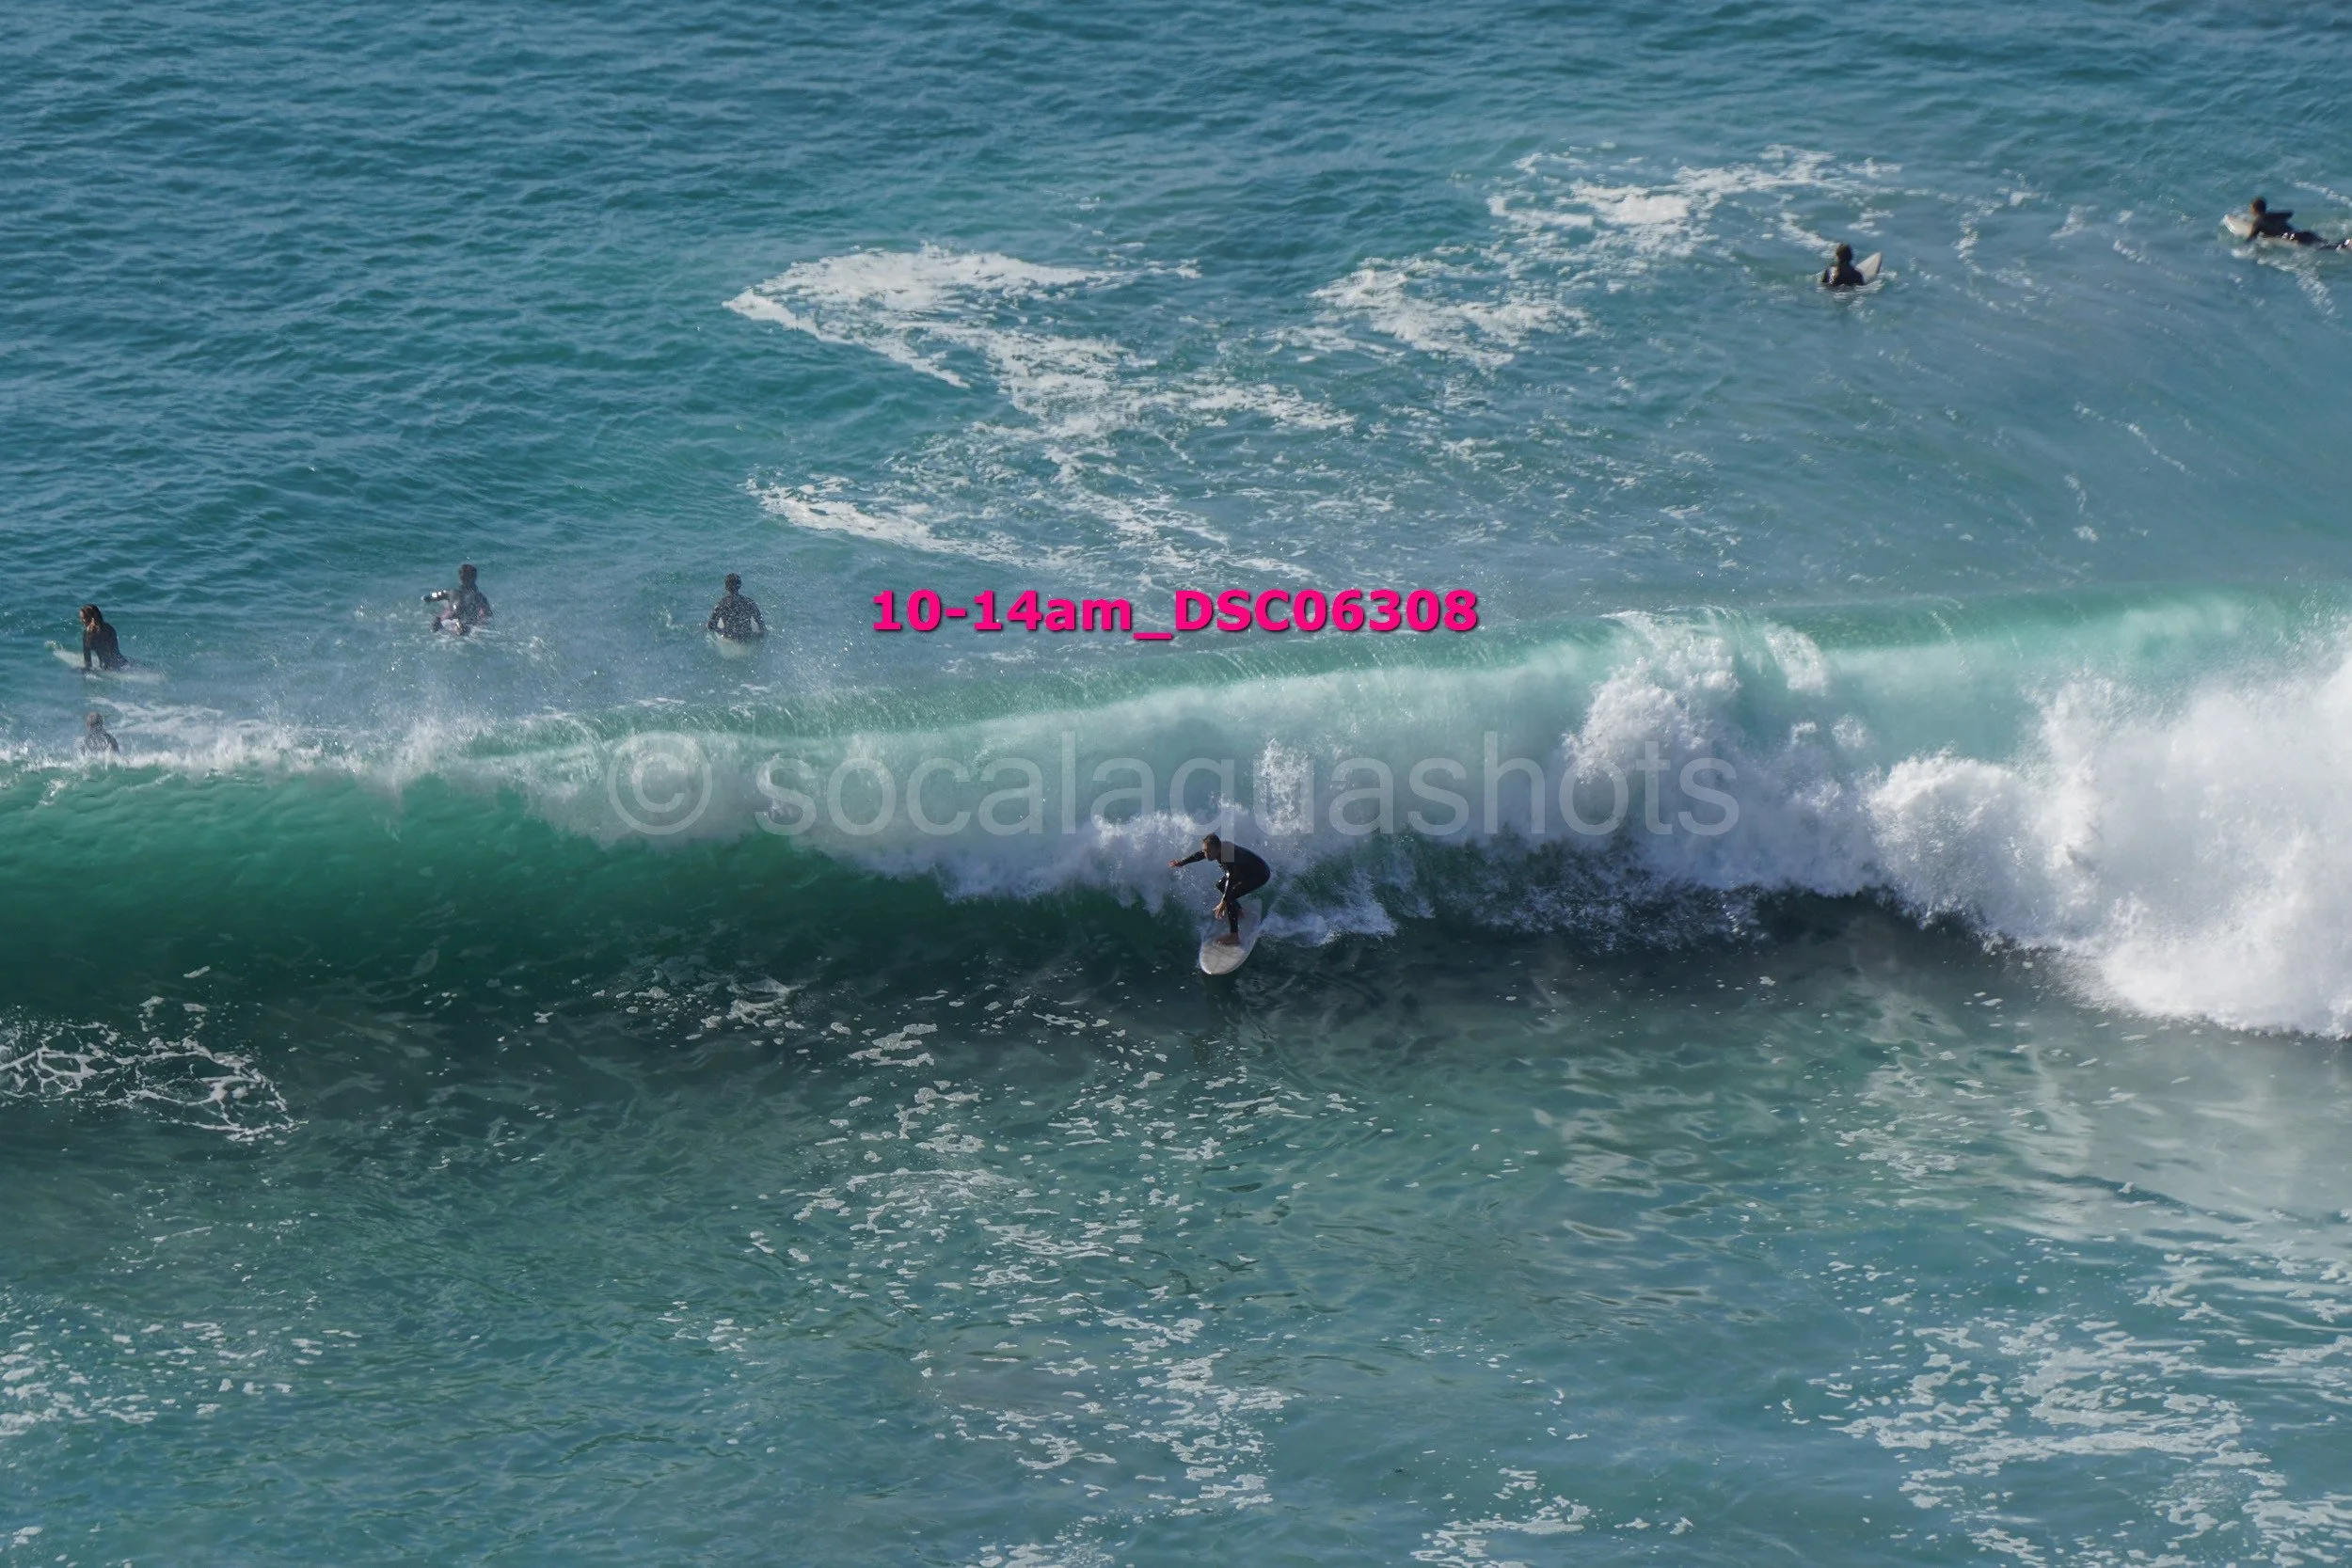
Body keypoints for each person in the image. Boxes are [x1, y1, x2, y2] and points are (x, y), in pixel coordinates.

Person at [1169, 832, 1271, 943]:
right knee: (1220, 885)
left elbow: (1231, 878)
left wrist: (1224, 901)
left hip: (1259, 874)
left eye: (1206, 851)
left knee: (1229, 896)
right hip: (1244, 871)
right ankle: (1237, 909)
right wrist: (1183, 862)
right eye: (1204, 850)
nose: (1204, 854)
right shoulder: (1218, 849)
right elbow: (1200, 855)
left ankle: (1234, 936)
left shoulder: (1227, 854)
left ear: (1216, 849)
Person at [2242, 197, 2344, 248]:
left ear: (2254, 209)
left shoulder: (2258, 222)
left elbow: (2250, 239)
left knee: (2329, 247)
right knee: (2331, 244)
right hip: (2302, 232)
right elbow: (2289, 214)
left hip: (2294, 238)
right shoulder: (2273, 216)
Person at [425, 563, 493, 634]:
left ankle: (439, 623)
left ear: (460, 578)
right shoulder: (479, 596)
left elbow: (433, 597)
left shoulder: (451, 592)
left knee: (448, 613)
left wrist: (428, 598)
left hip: (453, 613)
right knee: (471, 622)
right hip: (467, 616)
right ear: (474, 578)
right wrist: (481, 622)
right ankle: (462, 629)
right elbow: (487, 613)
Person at [707, 573, 766, 641]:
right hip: (747, 638)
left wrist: (720, 631)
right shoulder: (749, 603)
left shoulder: (721, 605)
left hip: (730, 638)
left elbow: (711, 626)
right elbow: (761, 624)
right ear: (740, 585)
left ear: (726, 587)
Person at [79, 604, 129, 671]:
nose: (81, 620)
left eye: (82, 618)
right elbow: (114, 651)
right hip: (122, 663)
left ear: (88, 619)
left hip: (108, 668)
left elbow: (88, 661)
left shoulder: (88, 633)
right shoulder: (109, 628)